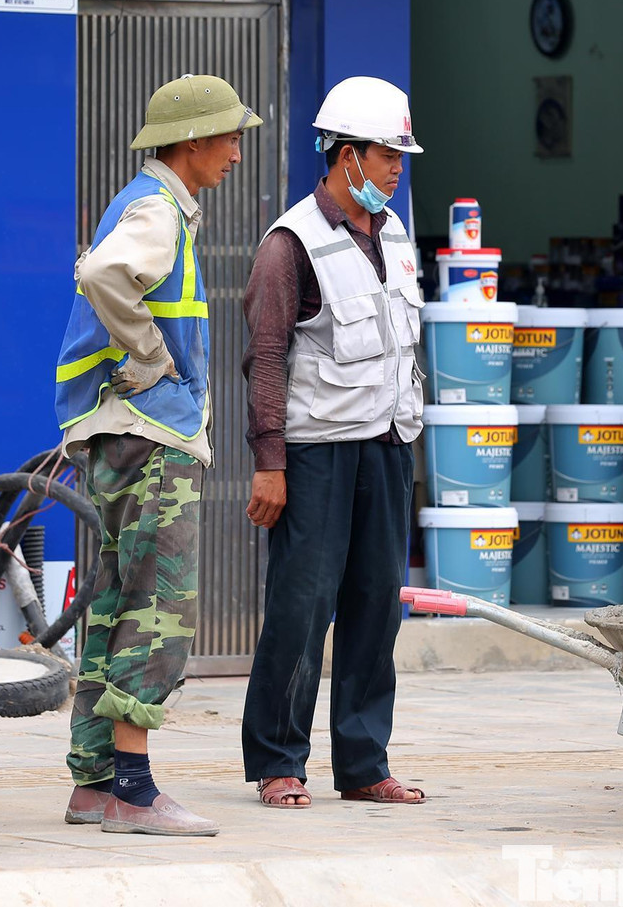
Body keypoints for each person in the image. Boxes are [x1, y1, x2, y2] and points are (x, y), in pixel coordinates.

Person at [55, 74, 262, 836]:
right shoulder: (157, 209)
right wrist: (150, 359)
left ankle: (93, 782)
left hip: (122, 430)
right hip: (148, 433)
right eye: (230, 137)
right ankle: (134, 793)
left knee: (116, 598)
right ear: (193, 140)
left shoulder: (145, 203)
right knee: (159, 606)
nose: (236, 153)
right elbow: (103, 275)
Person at [240, 76, 426, 809]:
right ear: (347, 156)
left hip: (388, 445)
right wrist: (270, 463)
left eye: (400, 157)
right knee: (303, 604)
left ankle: (364, 762)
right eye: (387, 155)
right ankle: (278, 760)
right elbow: (265, 358)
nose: (396, 169)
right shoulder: (290, 244)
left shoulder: (396, 234)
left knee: (377, 605)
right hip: (317, 451)